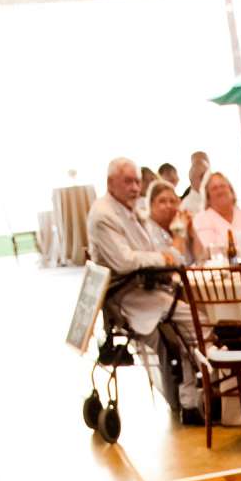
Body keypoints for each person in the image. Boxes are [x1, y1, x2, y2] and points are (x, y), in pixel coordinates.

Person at [87, 161, 203, 418]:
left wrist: (162, 257)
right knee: (196, 323)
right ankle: (191, 398)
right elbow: (126, 261)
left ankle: (186, 399)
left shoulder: (128, 211)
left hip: (145, 287)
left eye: (137, 182)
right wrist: (164, 258)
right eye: (128, 181)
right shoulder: (104, 215)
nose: (134, 187)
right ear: (110, 183)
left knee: (178, 331)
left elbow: (146, 252)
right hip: (127, 294)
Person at [189, 171, 241, 257]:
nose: (220, 191)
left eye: (223, 186)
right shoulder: (201, 219)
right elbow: (209, 250)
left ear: (231, 191)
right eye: (214, 188)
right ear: (208, 197)